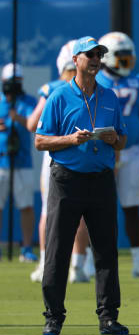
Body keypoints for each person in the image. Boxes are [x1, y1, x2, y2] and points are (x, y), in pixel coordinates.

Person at [35, 36, 129, 335]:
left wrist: (114, 140)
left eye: (99, 55)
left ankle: (108, 317)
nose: (96, 59)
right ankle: (53, 317)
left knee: (106, 251)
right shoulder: (59, 96)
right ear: (75, 60)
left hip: (101, 179)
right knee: (58, 250)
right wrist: (70, 140)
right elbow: (40, 140)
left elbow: (123, 139)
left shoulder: (111, 97)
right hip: (67, 179)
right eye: (89, 55)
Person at [28, 39, 92, 284]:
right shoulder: (95, 86)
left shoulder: (53, 88)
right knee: (85, 212)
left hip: (56, 157)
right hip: (87, 155)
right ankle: (79, 265)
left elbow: (34, 125)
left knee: (50, 211)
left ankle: (46, 263)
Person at [97, 31, 139, 278]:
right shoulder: (97, 82)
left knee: (132, 208)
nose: (127, 63)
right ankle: (91, 261)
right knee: (98, 210)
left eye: (128, 58)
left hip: (132, 151)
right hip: (103, 152)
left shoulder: (138, 82)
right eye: (121, 58)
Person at [0, 63, 37, 263]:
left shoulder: (28, 101)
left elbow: (34, 124)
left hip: (22, 162)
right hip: (1, 161)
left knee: (26, 206)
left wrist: (18, 118)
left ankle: (26, 248)